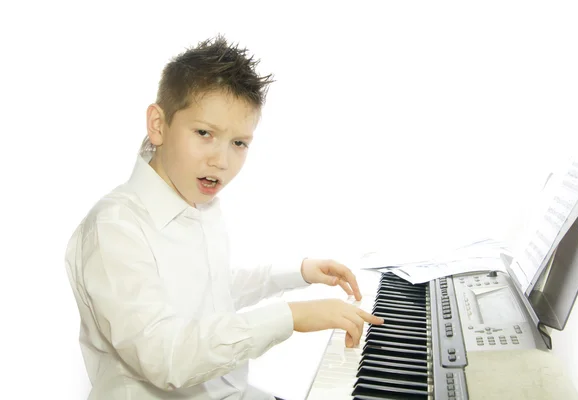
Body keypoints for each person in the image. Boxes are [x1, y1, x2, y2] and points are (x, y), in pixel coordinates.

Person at [64, 35, 384, 400]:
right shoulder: (114, 229)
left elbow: (208, 292)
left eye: (239, 143)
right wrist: (290, 317)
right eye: (204, 133)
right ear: (158, 124)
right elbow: (166, 358)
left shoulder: (195, 202)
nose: (222, 161)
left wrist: (297, 273)